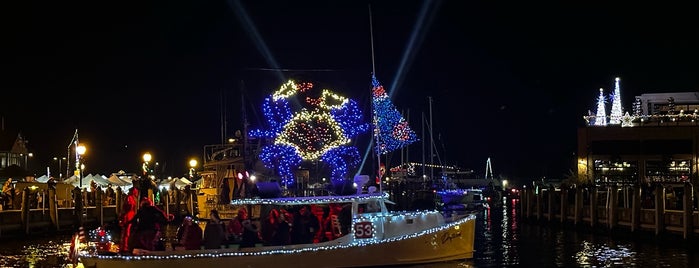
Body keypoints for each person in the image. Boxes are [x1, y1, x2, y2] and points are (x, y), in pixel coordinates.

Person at [119, 187, 138, 254]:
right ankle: (124, 247)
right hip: (128, 217)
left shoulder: (132, 198)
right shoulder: (129, 198)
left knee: (129, 233)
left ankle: (127, 246)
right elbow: (128, 207)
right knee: (126, 233)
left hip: (131, 217)